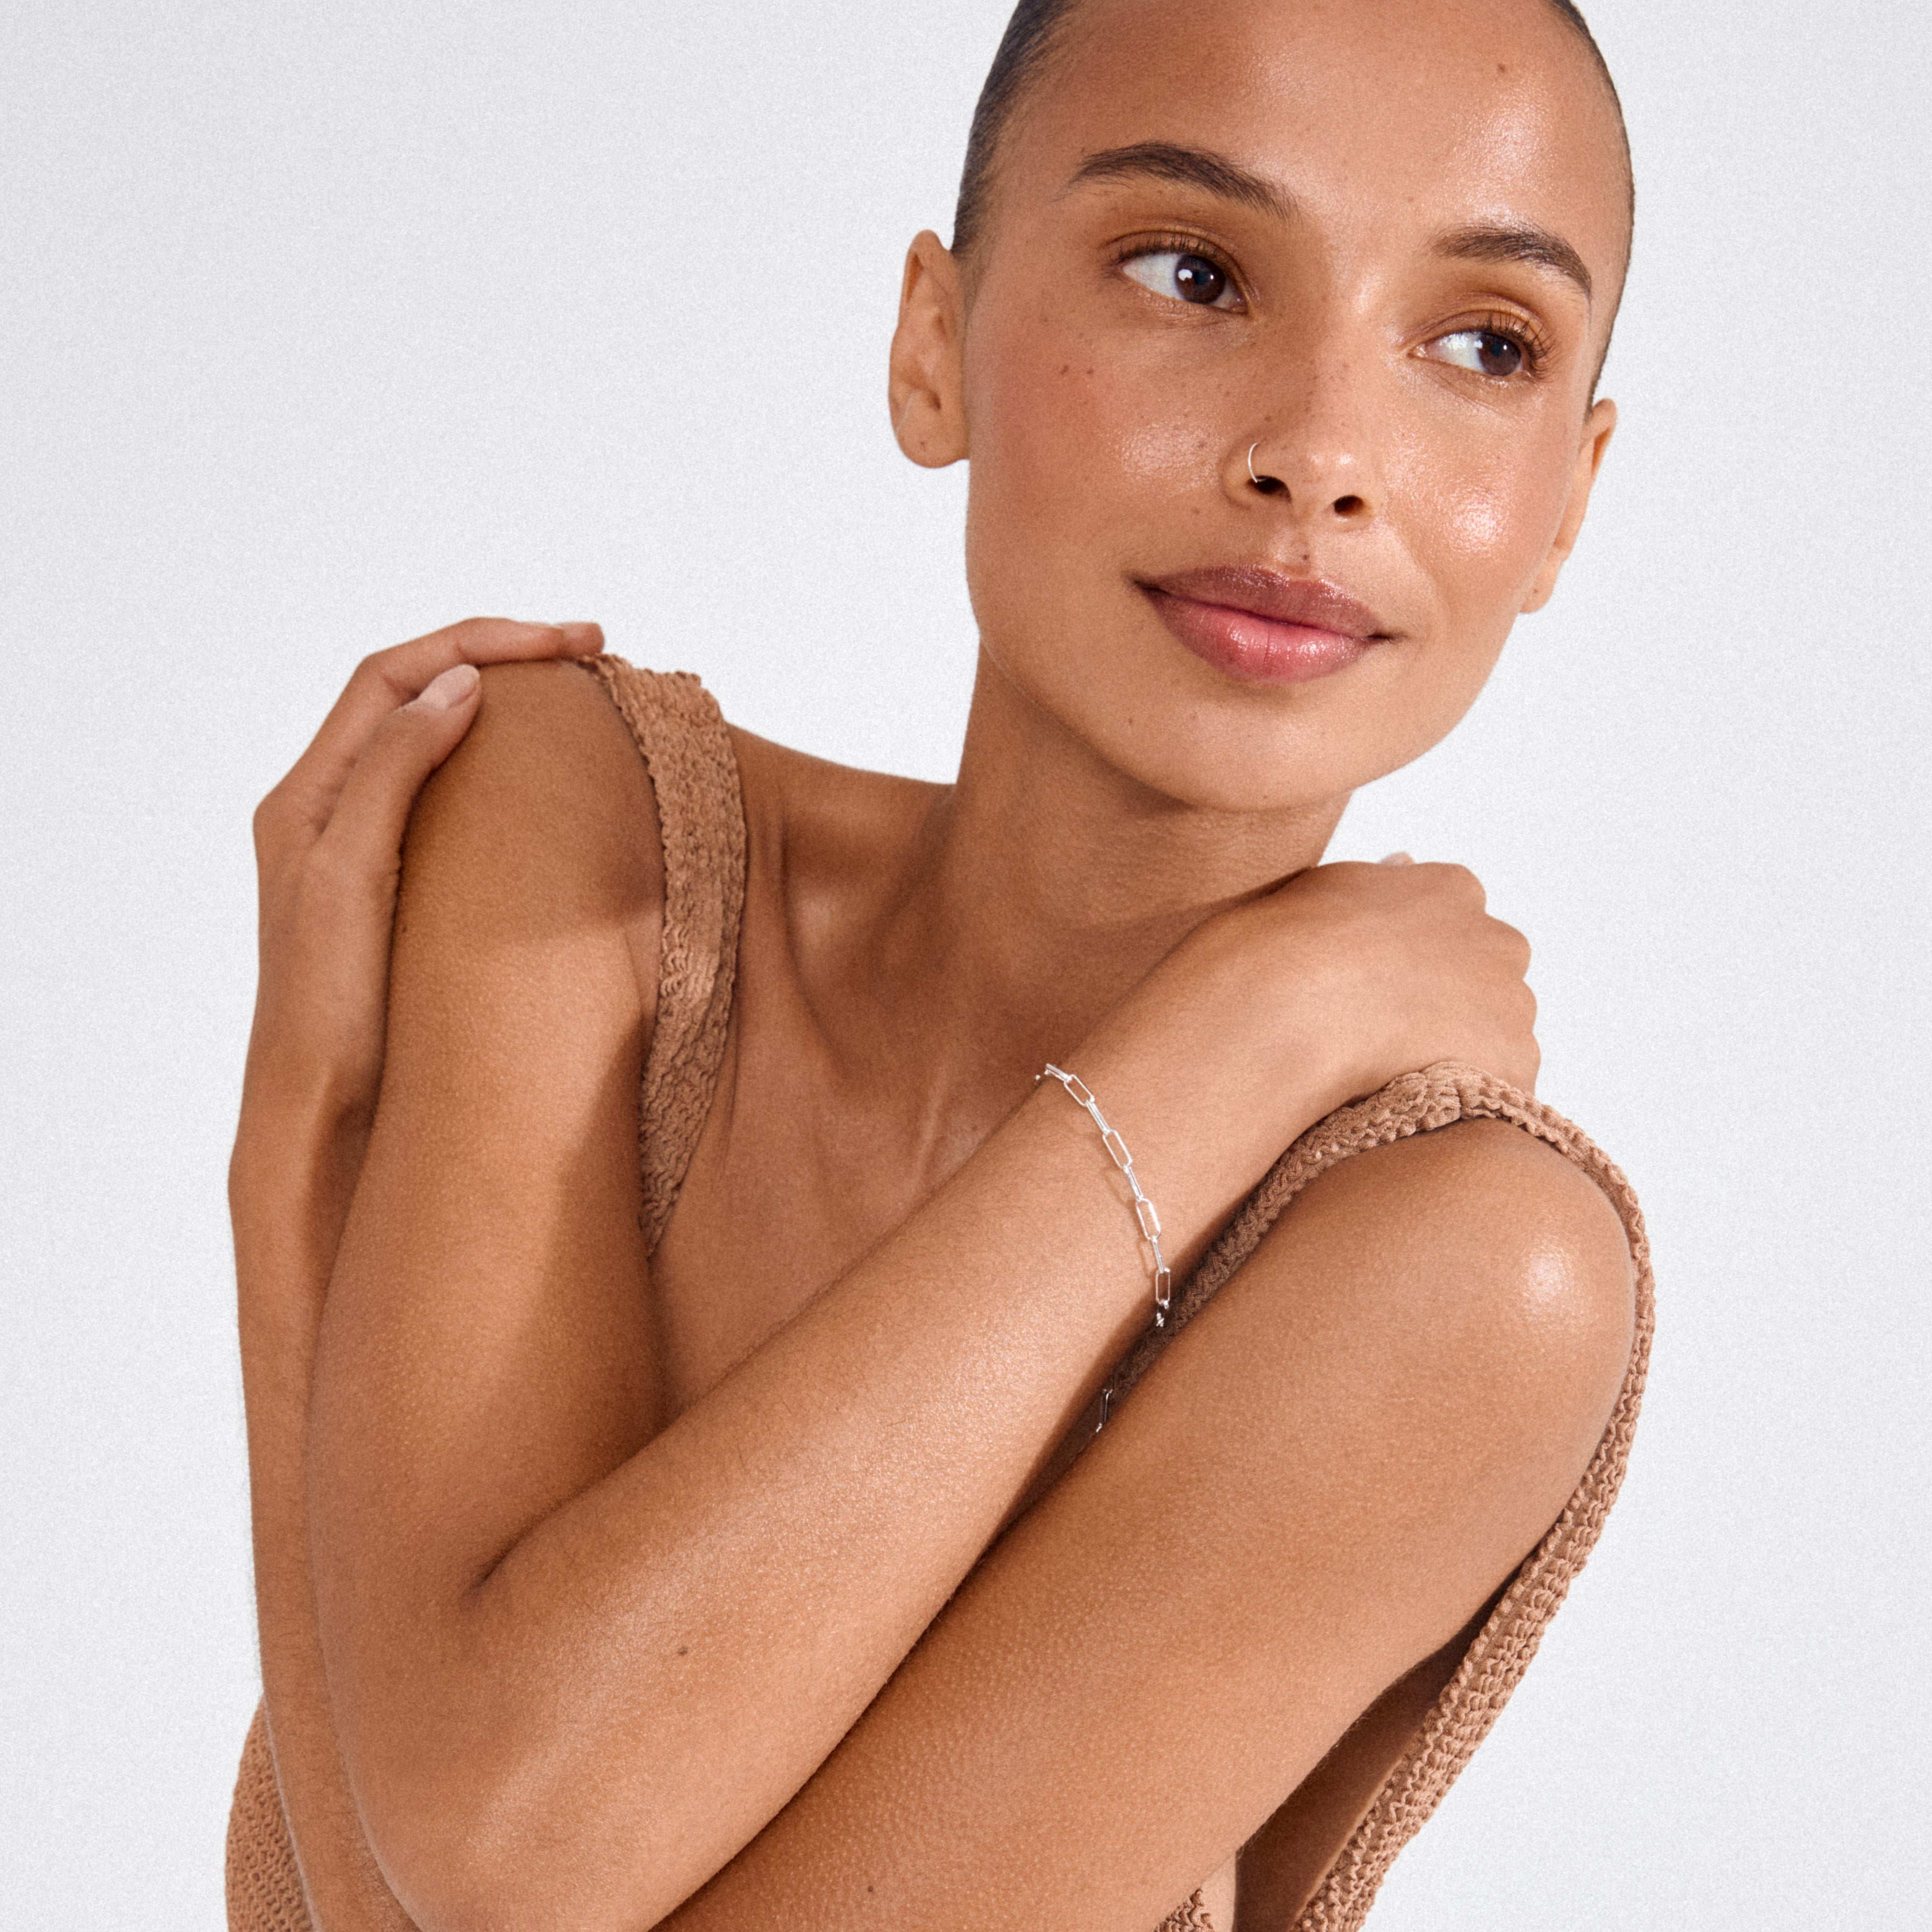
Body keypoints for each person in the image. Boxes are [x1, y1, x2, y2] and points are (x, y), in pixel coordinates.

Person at [224, 1, 1654, 1926]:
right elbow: (476, 1857)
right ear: (932, 346)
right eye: (1194, 271)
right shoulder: (582, 826)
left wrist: (304, 1188)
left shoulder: (1470, 1277)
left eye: (1483, 343)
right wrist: (292, 1161)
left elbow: (467, 1876)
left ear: (1567, 498)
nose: (1320, 454)